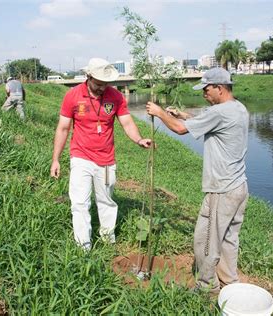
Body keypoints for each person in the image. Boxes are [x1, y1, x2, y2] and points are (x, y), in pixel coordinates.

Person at [146, 68, 249, 293]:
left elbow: (180, 130)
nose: (204, 93)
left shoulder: (219, 112)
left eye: (206, 89)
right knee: (229, 238)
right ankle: (229, 281)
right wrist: (183, 114)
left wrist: (160, 112)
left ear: (219, 89)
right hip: (239, 187)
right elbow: (206, 123)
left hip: (221, 190)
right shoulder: (238, 108)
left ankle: (207, 288)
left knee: (205, 240)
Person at [50, 58, 152, 250]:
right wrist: (56, 159)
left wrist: (139, 139)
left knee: (106, 201)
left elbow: (127, 123)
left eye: (106, 84)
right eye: (98, 84)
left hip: (106, 159)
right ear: (88, 77)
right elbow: (63, 128)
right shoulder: (72, 96)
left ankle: (107, 241)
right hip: (80, 156)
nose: (102, 88)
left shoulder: (115, 97)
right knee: (79, 202)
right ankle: (83, 247)